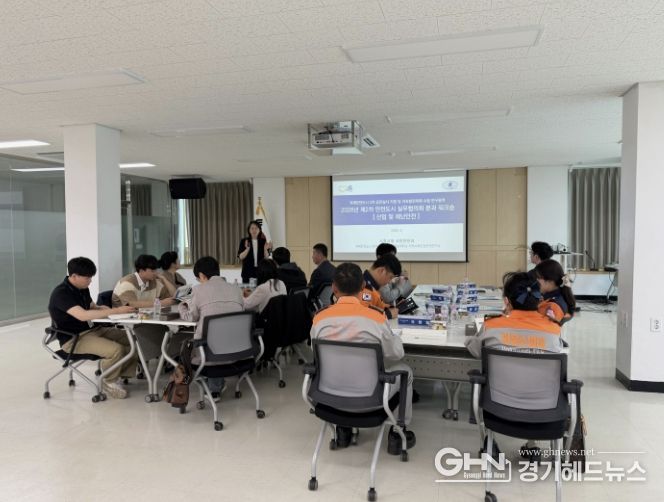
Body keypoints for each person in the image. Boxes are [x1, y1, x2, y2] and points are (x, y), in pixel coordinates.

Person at [310, 262, 416, 454]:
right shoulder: (375, 318)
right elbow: (396, 354)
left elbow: (316, 354)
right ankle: (397, 433)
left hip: (328, 395)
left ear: (334, 287)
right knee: (405, 372)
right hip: (370, 397)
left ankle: (343, 429)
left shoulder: (319, 319)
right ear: (362, 287)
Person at [47, 257, 138, 399]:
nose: (90, 281)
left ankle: (119, 374)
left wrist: (104, 309)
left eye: (91, 277)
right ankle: (108, 381)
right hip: (74, 339)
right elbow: (83, 315)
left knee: (132, 338)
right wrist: (115, 311)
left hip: (92, 330)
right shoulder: (61, 294)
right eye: (87, 278)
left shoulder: (82, 289)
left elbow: (92, 307)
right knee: (116, 350)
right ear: (74, 276)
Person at [179, 256, 244, 399]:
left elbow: (191, 317)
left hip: (209, 355)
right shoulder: (236, 289)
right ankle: (215, 387)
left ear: (201, 275)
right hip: (238, 352)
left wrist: (182, 306)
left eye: (198, 279)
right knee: (219, 335)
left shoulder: (198, 290)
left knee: (189, 345)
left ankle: (210, 388)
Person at [465, 271, 563, 359]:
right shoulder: (554, 329)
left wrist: (469, 339)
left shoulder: (490, 326)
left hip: (501, 375)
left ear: (506, 301)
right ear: (539, 299)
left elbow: (475, 350)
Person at [111, 254, 177, 363]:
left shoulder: (154, 282)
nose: (156, 273)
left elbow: (174, 296)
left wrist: (164, 279)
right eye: (152, 270)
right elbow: (133, 305)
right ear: (141, 271)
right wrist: (160, 303)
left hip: (145, 319)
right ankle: (146, 360)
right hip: (127, 321)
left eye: (156, 270)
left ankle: (163, 359)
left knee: (168, 331)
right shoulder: (127, 283)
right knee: (162, 331)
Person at [361, 254, 402, 319]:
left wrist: (393, 308)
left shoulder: (373, 287)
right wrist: (388, 315)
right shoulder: (364, 287)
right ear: (382, 271)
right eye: (390, 277)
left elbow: (378, 305)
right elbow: (363, 316)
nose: (389, 282)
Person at [535, 259, 576, 324]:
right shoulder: (553, 295)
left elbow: (544, 327)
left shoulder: (553, 307)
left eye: (539, 278)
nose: (536, 280)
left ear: (550, 281)